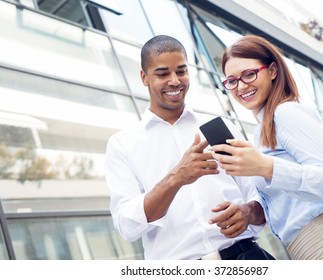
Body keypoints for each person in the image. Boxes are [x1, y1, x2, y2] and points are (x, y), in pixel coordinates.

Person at [211, 34, 323, 260]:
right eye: (232, 81)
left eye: (249, 74)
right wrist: (248, 212)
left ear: (273, 71)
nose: (241, 86)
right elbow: (288, 206)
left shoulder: (287, 113)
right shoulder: (262, 131)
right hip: (314, 252)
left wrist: (267, 167)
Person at [105, 35, 275, 260]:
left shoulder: (216, 126)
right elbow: (127, 225)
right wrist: (176, 178)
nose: (175, 81)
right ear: (144, 77)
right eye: (163, 74)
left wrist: (248, 212)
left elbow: (261, 196)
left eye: (181, 71)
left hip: (246, 257)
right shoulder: (123, 144)